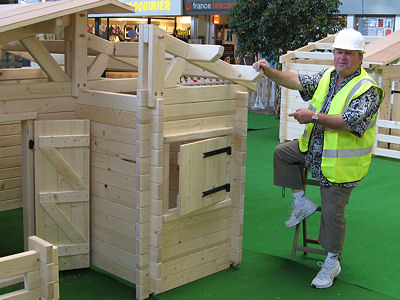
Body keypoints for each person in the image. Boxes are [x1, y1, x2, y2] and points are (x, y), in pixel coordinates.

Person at [253, 28, 384, 289]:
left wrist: (312, 117)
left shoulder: (367, 89)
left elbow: (348, 122)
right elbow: (296, 80)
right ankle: (301, 202)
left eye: (348, 53)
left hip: (340, 164)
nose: (341, 57)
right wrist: (269, 72)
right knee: (283, 154)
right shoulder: (328, 76)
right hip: (312, 149)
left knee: (332, 215)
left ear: (360, 57)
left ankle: (332, 261)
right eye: (338, 52)